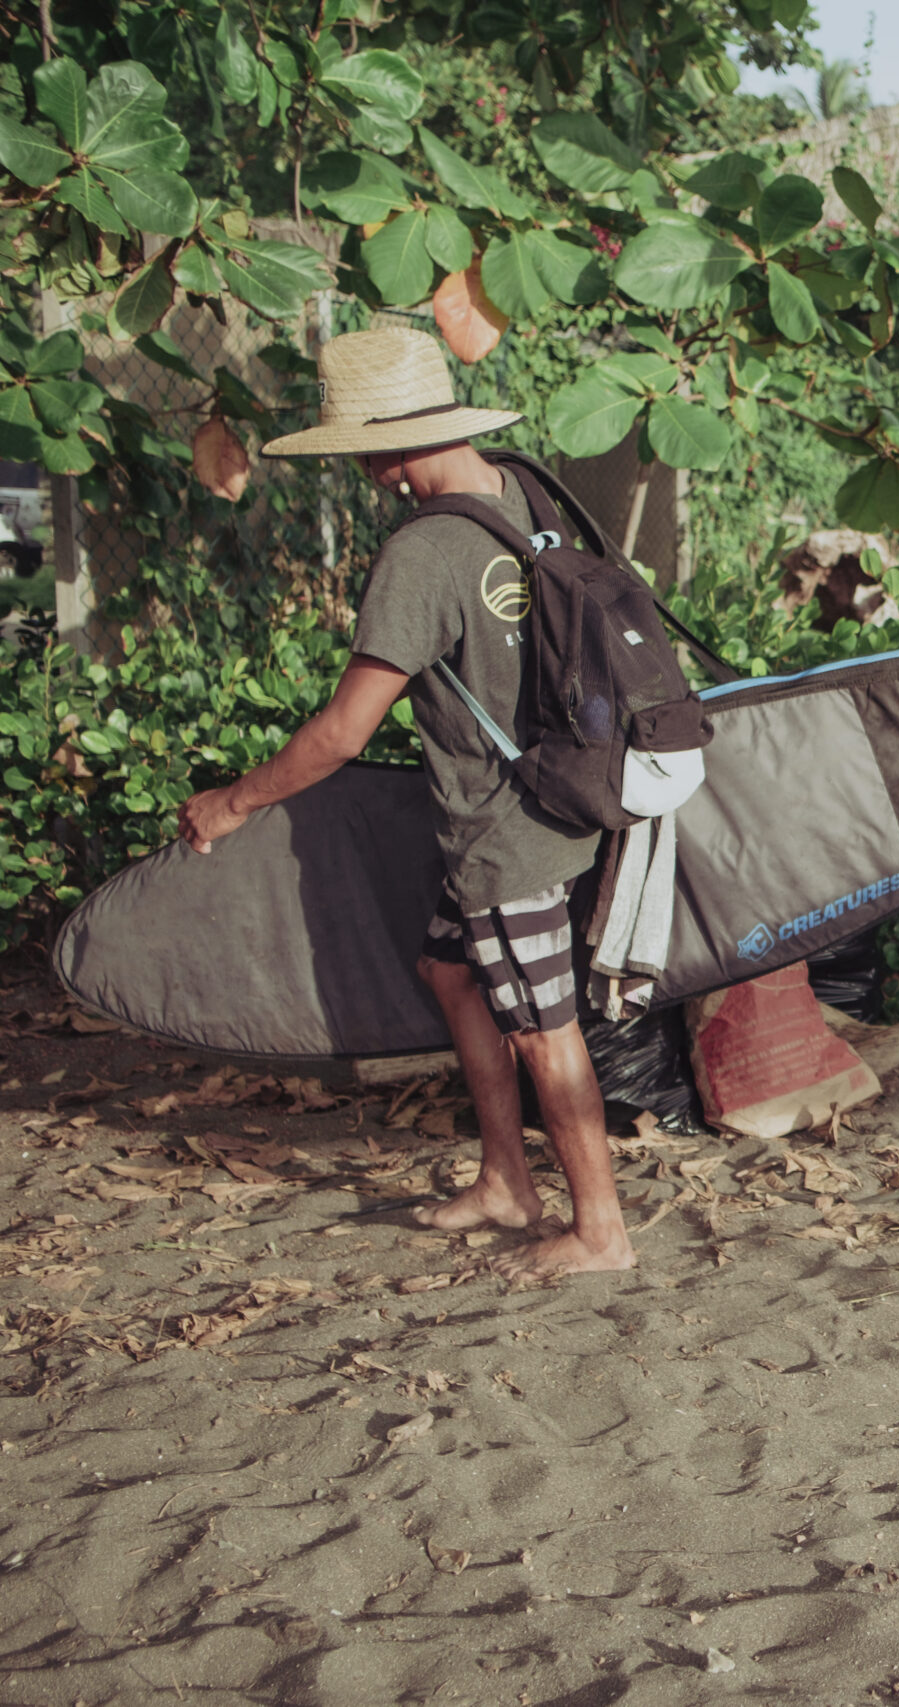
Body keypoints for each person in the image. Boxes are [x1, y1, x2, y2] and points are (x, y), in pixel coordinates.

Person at [176, 327, 634, 1278]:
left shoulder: (423, 554)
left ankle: (601, 1229)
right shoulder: (520, 489)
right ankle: (507, 1179)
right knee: (449, 971)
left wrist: (233, 802)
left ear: (395, 438)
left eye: (365, 451)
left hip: (509, 837)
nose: (367, 473)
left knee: (546, 1031)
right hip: (553, 797)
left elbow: (343, 731)